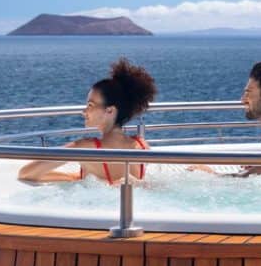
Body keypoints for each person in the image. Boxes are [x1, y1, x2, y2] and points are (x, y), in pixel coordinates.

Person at [18, 57, 157, 184]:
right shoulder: (142, 145)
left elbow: (25, 174)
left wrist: (77, 179)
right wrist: (78, 178)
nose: (84, 111)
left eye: (90, 105)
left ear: (110, 111)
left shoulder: (84, 148)